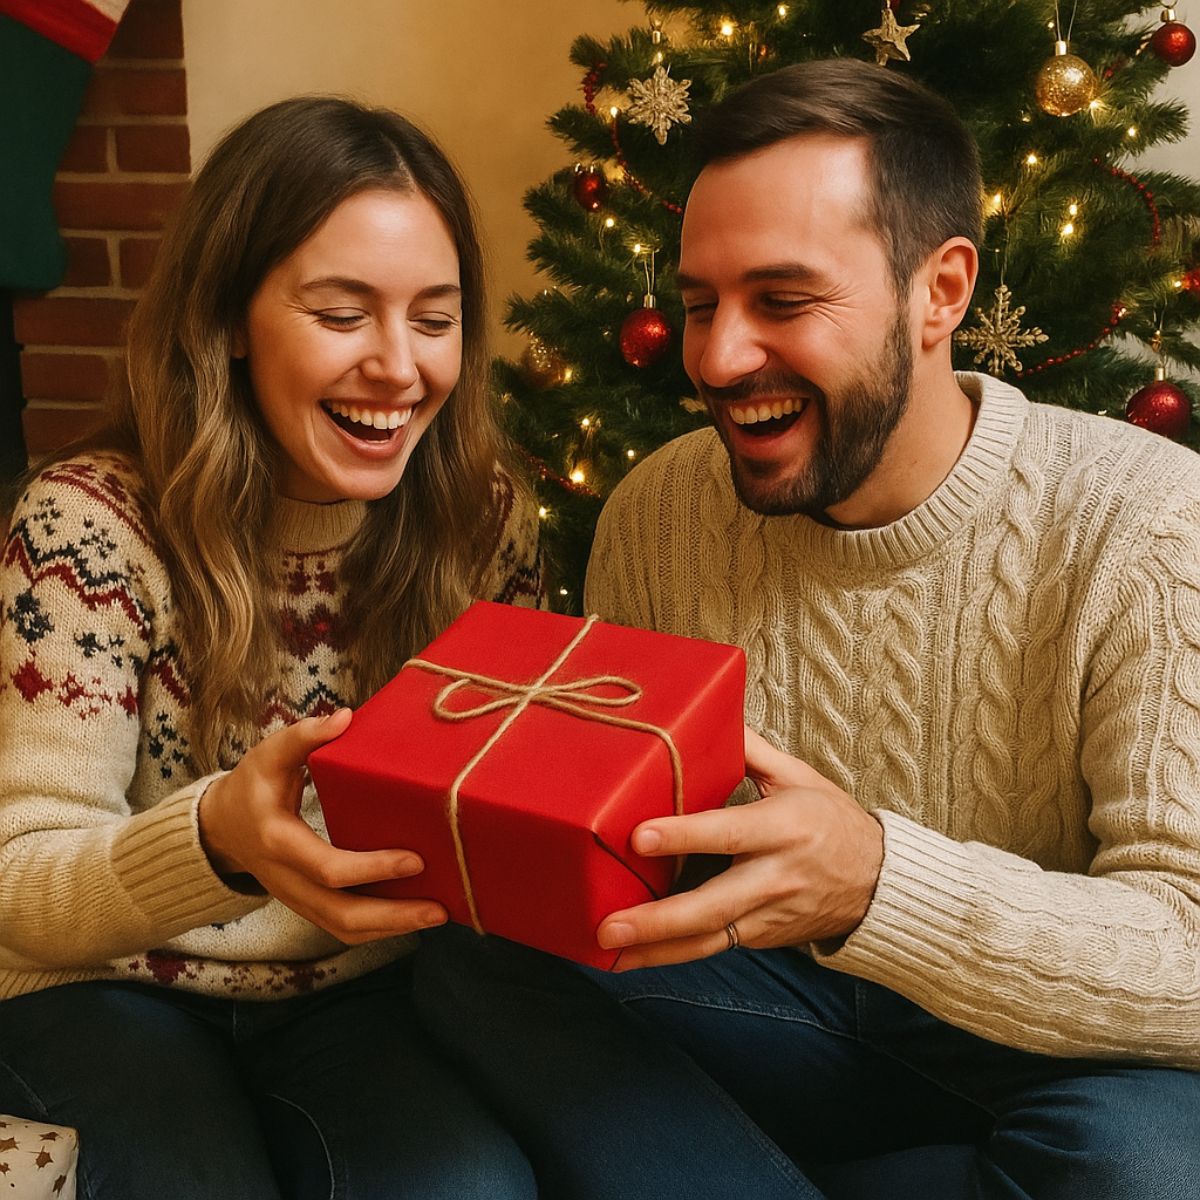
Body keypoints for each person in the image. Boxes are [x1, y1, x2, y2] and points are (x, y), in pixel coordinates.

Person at [412, 58, 1200, 1200]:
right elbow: (626, 873)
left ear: (941, 292)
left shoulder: (1149, 520)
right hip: (781, 1011)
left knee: (1149, 1165)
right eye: (700, 304)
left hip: (1057, 1054)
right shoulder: (660, 512)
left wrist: (877, 881)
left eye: (783, 301)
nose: (719, 358)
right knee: (478, 966)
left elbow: (1188, 950)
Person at [0, 96, 542, 1200]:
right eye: (342, 314)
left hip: (360, 990)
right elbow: (20, 882)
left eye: (435, 319)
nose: (399, 367)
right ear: (232, 319)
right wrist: (215, 841)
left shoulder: (481, 518)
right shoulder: (88, 526)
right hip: (103, 982)